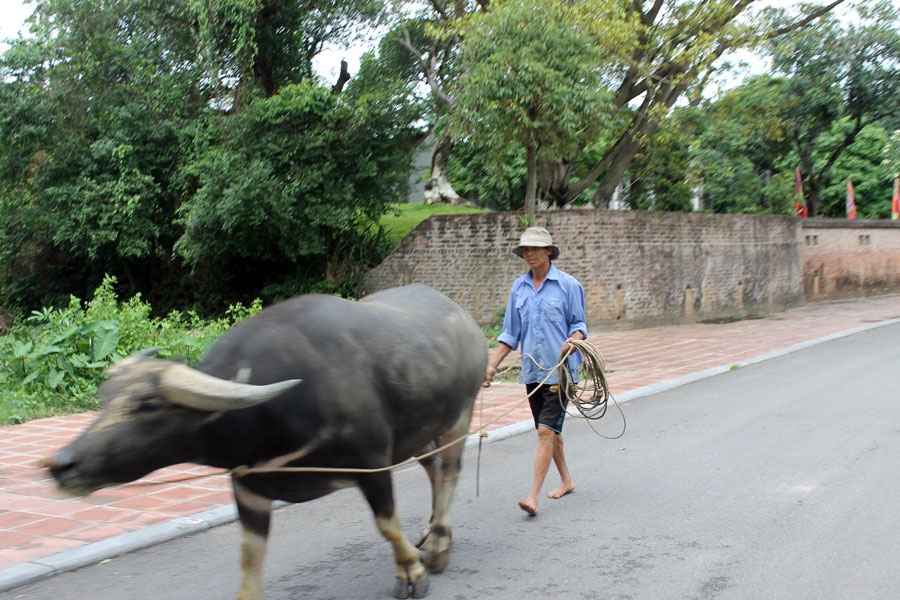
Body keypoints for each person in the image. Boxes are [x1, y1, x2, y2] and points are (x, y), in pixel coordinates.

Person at [483, 226, 587, 516]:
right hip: (532, 372)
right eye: (525, 250)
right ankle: (567, 480)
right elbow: (509, 334)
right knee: (551, 430)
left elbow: (579, 326)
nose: (529, 254)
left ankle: (533, 497)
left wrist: (573, 341)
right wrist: (492, 365)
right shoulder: (519, 287)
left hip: (561, 372)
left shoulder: (569, 286)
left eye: (535, 249)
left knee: (544, 431)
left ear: (549, 251)